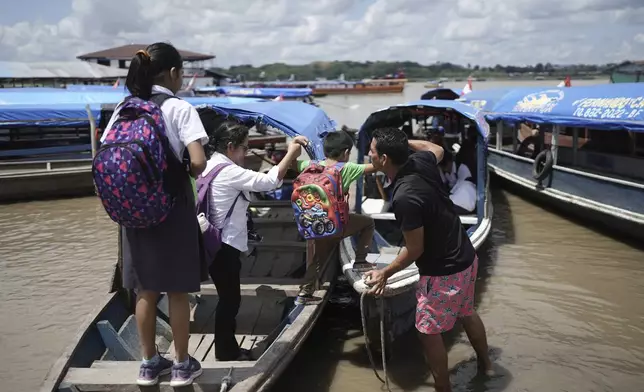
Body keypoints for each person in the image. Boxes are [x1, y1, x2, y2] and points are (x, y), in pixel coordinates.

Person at [100, 43, 208, 387]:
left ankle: (147, 365)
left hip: (133, 210)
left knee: (146, 290)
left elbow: (109, 152)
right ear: (175, 73)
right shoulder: (179, 108)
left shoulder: (124, 108)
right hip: (172, 208)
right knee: (177, 290)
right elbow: (199, 163)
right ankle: (181, 365)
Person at [364, 128, 492, 392]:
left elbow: (415, 249)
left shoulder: (404, 197)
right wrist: (403, 143)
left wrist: (384, 273)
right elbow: (437, 149)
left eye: (372, 151)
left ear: (384, 159)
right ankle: (486, 366)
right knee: (466, 312)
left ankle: (443, 388)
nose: (368, 154)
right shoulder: (420, 161)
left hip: (442, 271)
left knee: (427, 331)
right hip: (465, 255)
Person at [203, 120, 307, 360]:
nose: (246, 153)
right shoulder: (228, 171)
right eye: (244, 148)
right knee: (230, 300)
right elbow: (270, 182)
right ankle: (226, 351)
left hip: (211, 239)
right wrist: (291, 152)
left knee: (227, 297)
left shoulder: (209, 166)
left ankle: (225, 348)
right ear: (231, 147)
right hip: (225, 244)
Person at [294, 130, 378, 304]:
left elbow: (290, 164)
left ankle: (304, 293)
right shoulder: (347, 168)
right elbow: (377, 166)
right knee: (368, 223)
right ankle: (360, 260)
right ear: (346, 153)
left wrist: (294, 144)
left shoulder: (309, 166)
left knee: (317, 260)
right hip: (338, 225)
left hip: (316, 224)